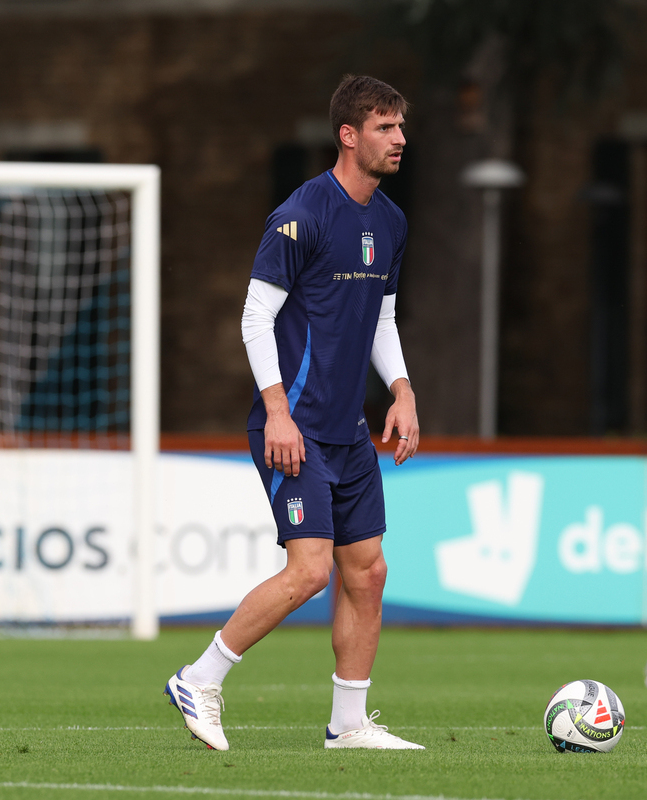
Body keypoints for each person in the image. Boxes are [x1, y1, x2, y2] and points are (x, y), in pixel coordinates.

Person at [163, 75, 423, 751]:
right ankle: (200, 677)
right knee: (310, 571)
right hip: (295, 428)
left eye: (400, 127)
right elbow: (255, 316)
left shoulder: (390, 221)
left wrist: (401, 389)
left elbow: (382, 317)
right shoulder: (301, 214)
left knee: (368, 570)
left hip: (349, 434)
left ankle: (348, 724)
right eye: (386, 127)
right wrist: (277, 412)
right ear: (349, 135)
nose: (400, 139)